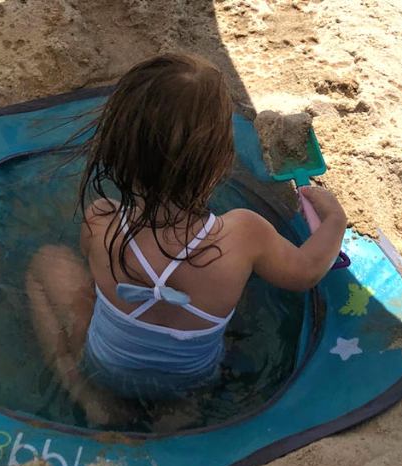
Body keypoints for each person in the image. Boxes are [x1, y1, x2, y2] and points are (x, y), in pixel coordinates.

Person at [25, 53, 346, 425]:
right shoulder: (243, 234)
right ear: (222, 159)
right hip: (192, 378)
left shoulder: (101, 221)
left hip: (110, 369)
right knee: (240, 294)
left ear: (117, 149)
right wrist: (334, 221)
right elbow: (306, 271)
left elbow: (94, 288)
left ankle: (83, 391)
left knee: (46, 262)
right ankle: (184, 411)